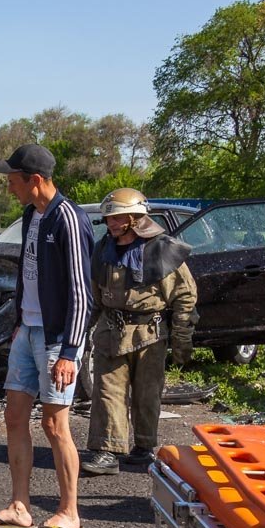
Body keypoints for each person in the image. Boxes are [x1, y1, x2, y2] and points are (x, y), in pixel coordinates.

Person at [0, 143, 93, 528]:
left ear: (34, 180)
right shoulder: (31, 216)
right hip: (27, 330)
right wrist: (20, 322)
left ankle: (69, 511)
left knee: (55, 425)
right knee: (14, 418)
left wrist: (71, 352)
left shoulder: (69, 221)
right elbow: (30, 275)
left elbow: (81, 292)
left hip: (58, 338)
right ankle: (20, 507)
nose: (10, 188)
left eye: (12, 181)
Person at [80, 189, 198, 476]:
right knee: (107, 392)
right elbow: (93, 297)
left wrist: (182, 339)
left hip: (149, 334)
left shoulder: (162, 250)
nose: (110, 222)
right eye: (108, 217)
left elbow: (185, 296)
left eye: (117, 216)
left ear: (135, 218)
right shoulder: (102, 250)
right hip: (111, 331)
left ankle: (143, 448)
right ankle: (106, 451)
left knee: (147, 395)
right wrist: (81, 334)